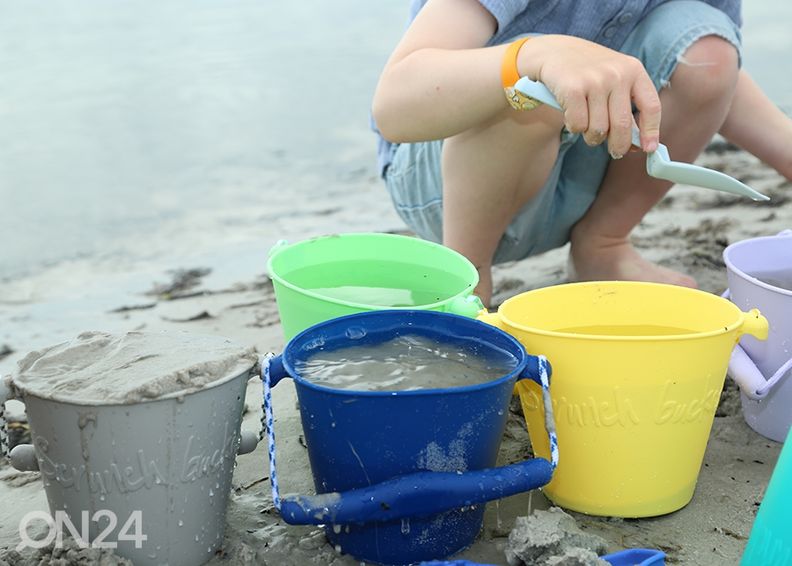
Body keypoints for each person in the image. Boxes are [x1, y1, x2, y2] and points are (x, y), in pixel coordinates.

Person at [371, 0, 792, 306]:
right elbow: (395, 105)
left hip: (575, 179)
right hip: (447, 187)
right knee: (531, 84)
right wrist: (534, 57)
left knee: (710, 50)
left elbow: (714, 77)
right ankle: (467, 278)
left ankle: (603, 244)